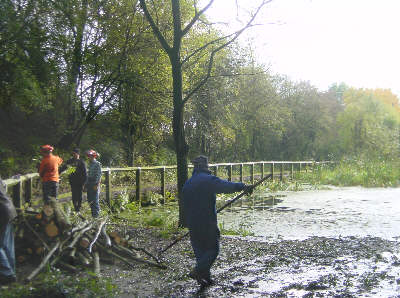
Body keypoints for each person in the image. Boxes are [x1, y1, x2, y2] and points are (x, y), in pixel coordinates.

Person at [182, 155, 252, 287]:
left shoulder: (188, 183)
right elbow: (225, 186)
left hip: (193, 223)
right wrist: (242, 186)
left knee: (200, 251)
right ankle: (198, 271)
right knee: (213, 249)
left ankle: (205, 277)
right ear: (205, 166)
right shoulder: (208, 180)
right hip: (207, 221)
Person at [0, 177, 17, 285]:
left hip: (1, 212)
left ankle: (7, 274)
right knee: (7, 244)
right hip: (9, 209)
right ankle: (12, 272)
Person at [85, 150, 102, 218]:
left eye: (91, 156)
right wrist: (85, 185)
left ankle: (96, 216)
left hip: (95, 183)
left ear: (94, 156)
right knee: (90, 200)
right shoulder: (90, 164)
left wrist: (97, 185)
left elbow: (99, 175)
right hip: (89, 183)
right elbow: (88, 175)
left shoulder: (97, 164)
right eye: (89, 156)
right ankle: (93, 215)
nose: (89, 157)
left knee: (95, 200)